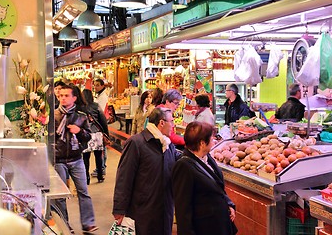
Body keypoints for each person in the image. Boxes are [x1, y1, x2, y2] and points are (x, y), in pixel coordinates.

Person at [112, 107, 179, 235]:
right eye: (172, 121)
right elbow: (124, 177)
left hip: (164, 209)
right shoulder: (136, 143)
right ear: (162, 123)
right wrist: (119, 208)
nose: (173, 125)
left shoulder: (167, 145)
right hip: (143, 211)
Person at [172, 121, 237, 235]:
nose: (214, 141)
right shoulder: (184, 166)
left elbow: (217, 185)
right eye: (211, 139)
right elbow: (183, 209)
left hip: (219, 225)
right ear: (202, 143)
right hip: (204, 228)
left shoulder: (207, 158)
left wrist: (228, 203)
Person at [54, 84, 98, 233]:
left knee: (83, 191)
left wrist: (79, 131)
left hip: (76, 158)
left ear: (74, 98)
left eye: (66, 96)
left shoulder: (80, 116)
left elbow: (87, 136)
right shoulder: (53, 116)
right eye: (61, 96)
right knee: (60, 196)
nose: (63, 98)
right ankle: (64, 225)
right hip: (58, 159)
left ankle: (88, 223)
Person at [82, 89, 109, 184]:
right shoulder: (96, 106)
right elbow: (103, 120)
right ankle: (100, 176)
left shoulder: (81, 108)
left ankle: (86, 178)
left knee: (86, 157)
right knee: (98, 156)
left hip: (86, 134)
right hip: (97, 134)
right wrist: (106, 133)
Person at [93, 78, 109, 176]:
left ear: (103, 86)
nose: (95, 87)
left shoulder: (103, 97)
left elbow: (101, 112)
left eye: (98, 85)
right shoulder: (99, 96)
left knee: (102, 146)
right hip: (99, 124)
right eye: (95, 85)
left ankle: (102, 167)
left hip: (101, 124)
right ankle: (101, 167)